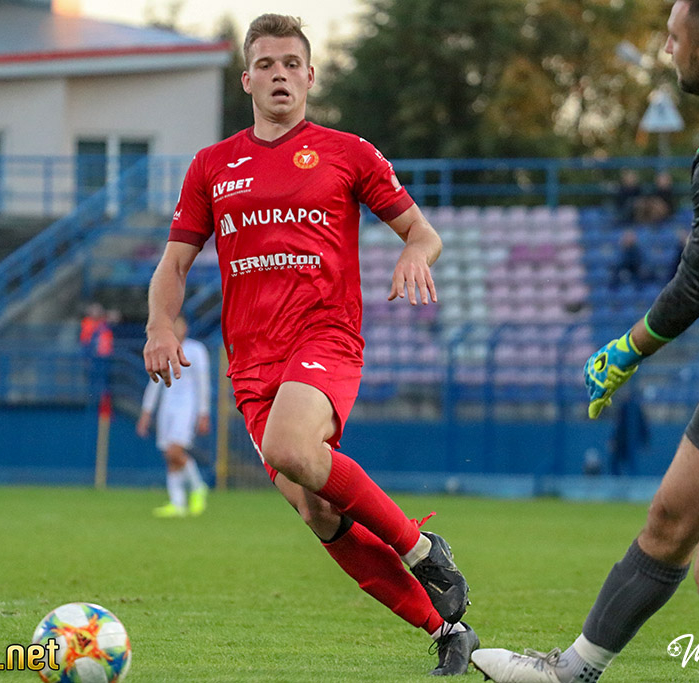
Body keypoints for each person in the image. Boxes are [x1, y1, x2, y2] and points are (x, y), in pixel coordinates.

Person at [143, 13, 475, 675]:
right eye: (265, 64)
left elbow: (423, 232)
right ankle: (446, 629)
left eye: (291, 64)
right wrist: (158, 324)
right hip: (251, 362)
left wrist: (416, 253)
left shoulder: (348, 152)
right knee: (317, 509)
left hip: (325, 337)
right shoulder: (211, 167)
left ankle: (421, 548)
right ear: (246, 80)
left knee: (291, 447)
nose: (280, 75)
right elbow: (174, 264)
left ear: (310, 76)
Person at [472, 2, 699, 681]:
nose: (665, 49)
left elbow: (694, 287)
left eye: (672, 37)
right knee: (670, 517)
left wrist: (625, 351)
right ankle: (572, 670)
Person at [137, 316, 211, 518]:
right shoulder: (163, 349)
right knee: (169, 456)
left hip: (187, 407)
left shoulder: (196, 350)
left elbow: (203, 383)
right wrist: (146, 412)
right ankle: (177, 502)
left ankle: (198, 487)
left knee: (175, 451)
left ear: (185, 327)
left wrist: (203, 413)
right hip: (167, 407)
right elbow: (154, 383)